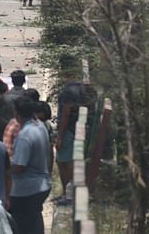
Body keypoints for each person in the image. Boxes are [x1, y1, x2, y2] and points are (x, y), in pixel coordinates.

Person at [9, 96, 52, 234]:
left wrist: (4, 166)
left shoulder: (24, 136)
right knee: (34, 223)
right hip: (42, 184)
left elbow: (19, 166)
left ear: (17, 113)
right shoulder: (40, 126)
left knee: (22, 226)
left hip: (26, 189)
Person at [55, 63, 85, 205]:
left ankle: (67, 194)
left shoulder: (69, 91)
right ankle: (68, 193)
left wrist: (60, 136)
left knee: (63, 162)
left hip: (68, 130)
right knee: (71, 162)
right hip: (77, 128)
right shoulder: (83, 88)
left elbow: (66, 114)